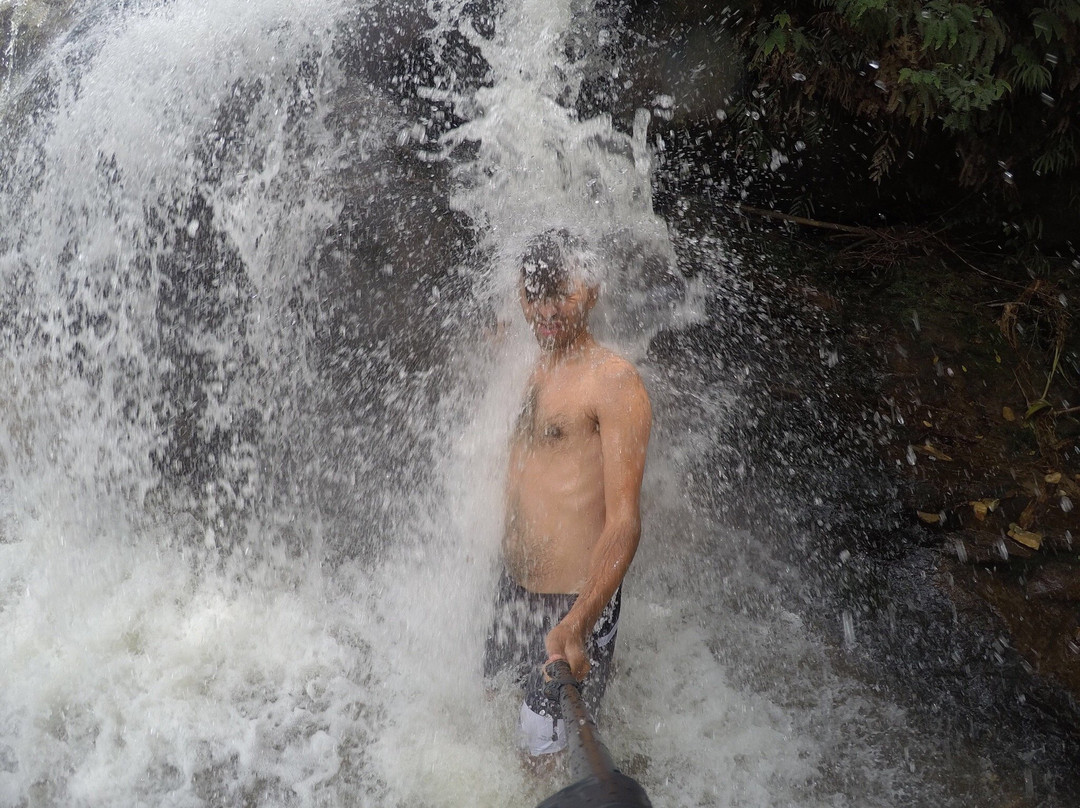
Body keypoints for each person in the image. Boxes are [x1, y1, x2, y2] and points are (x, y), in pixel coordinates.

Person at [484, 230, 652, 760]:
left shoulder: (613, 380)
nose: (546, 310)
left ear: (593, 289)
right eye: (534, 295)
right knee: (496, 730)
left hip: (572, 606)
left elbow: (625, 523)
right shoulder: (527, 367)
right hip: (512, 592)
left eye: (561, 293)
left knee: (545, 760)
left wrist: (577, 624)